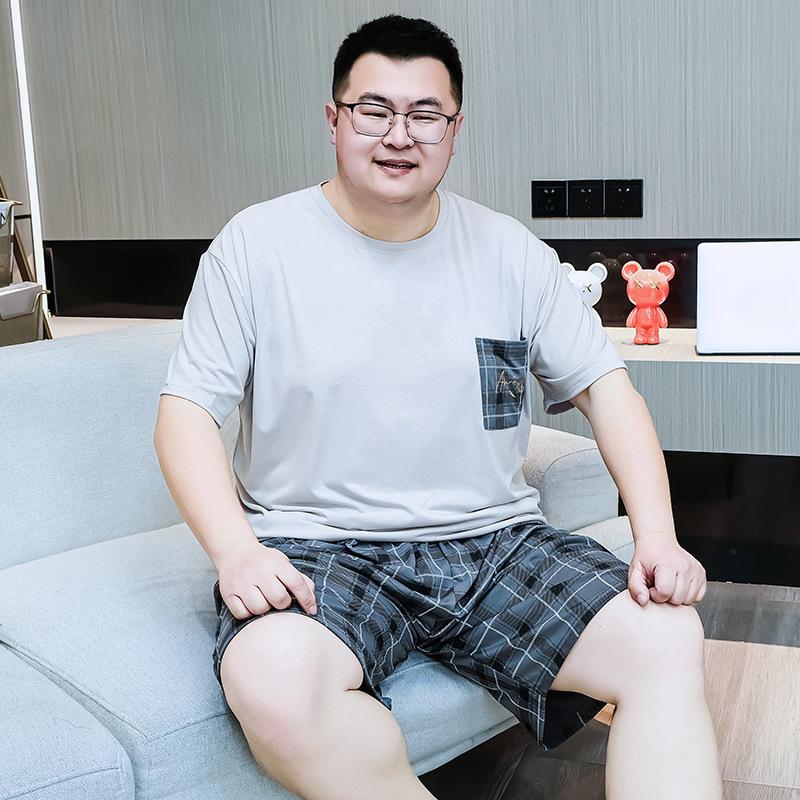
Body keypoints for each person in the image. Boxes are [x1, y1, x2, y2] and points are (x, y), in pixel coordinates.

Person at [153, 14, 723, 800]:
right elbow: (185, 412)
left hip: (493, 542)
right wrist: (236, 553)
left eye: (425, 114)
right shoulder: (256, 247)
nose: (398, 135)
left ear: (455, 130)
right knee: (273, 684)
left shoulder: (509, 251)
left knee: (666, 638)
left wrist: (656, 535)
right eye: (373, 110)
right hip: (318, 545)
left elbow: (607, 390)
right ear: (334, 120)